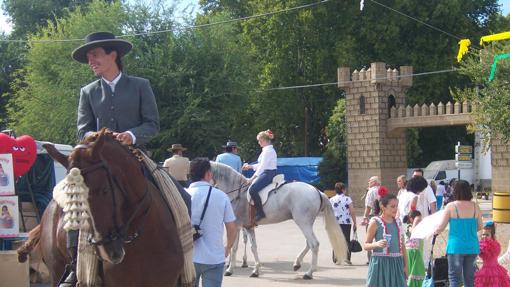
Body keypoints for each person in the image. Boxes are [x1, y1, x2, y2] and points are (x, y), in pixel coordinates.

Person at [68, 31, 161, 287]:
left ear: (113, 55)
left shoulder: (141, 85)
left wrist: (131, 135)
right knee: (71, 202)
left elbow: (152, 124)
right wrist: (101, 137)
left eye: (95, 55)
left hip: (136, 157)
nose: (91, 61)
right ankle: (71, 264)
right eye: (89, 57)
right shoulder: (87, 91)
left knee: (178, 195)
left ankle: (186, 252)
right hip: (99, 161)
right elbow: (82, 130)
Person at [187, 158, 237, 287]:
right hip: (214, 257)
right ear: (208, 174)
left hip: (188, 258)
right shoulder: (221, 196)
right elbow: (232, 228)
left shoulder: (183, 194)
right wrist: (227, 247)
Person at [434, 180, 483, 287]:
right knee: (469, 279)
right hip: (472, 246)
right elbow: (480, 226)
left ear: (455, 191)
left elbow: (441, 227)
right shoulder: (475, 206)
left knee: (454, 279)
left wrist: (434, 230)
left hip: (455, 247)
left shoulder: (451, 206)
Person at [365, 193, 408, 287]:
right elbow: (366, 245)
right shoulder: (375, 222)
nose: (395, 209)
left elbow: (402, 245)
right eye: (392, 206)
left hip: (396, 264)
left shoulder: (398, 222)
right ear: (383, 207)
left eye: (396, 206)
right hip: (380, 264)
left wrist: (406, 266)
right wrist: (376, 244)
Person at [242, 129, 277, 222]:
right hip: (266, 172)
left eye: (260, 141)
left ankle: (261, 213)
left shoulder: (267, 151)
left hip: (268, 173)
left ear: (265, 141)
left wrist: (252, 178)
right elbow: (261, 164)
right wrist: (250, 166)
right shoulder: (266, 150)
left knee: (253, 190)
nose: (259, 143)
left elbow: (262, 166)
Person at [329, 182, 357, 265]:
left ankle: (336, 258)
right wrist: (355, 222)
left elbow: (329, 212)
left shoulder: (331, 199)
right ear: (343, 190)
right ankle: (346, 258)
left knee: (336, 240)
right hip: (346, 222)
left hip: (335, 222)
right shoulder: (347, 199)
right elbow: (352, 211)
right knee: (346, 240)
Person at [475, 221, 510, 287]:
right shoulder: (496, 244)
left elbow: (478, 252)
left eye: (487, 234)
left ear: (492, 236)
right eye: (483, 234)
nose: (484, 236)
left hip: (486, 271)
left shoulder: (484, 246)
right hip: (497, 269)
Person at [404, 210, 426, 287]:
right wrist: (415, 222)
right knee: (413, 272)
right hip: (412, 252)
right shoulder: (409, 227)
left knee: (418, 271)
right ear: (411, 219)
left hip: (417, 252)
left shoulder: (419, 228)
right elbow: (412, 233)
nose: (420, 221)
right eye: (418, 219)